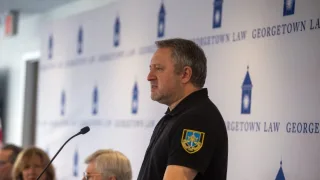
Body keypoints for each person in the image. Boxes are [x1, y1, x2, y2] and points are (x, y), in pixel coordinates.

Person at [137, 38, 228, 180]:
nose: (149, 77)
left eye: (159, 68)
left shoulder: (196, 119)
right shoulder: (176, 117)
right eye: (150, 69)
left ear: (185, 74)